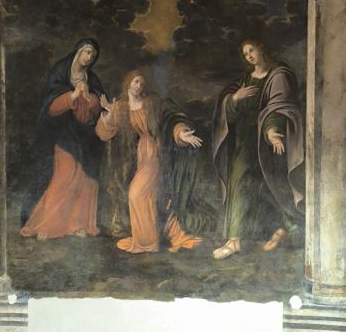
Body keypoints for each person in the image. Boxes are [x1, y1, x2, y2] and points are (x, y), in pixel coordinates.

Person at [95, 69, 212, 253]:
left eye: (142, 83)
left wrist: (181, 133)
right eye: (136, 81)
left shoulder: (152, 103)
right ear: (128, 83)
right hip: (140, 155)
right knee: (149, 196)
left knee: (137, 194)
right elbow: (104, 133)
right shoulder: (121, 107)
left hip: (155, 152)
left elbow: (170, 120)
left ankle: (147, 242)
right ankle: (148, 238)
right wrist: (110, 111)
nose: (139, 86)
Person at [212, 39, 304, 259]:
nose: (249, 56)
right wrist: (234, 99)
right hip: (244, 141)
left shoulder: (279, 75)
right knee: (241, 183)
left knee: (270, 185)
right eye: (245, 54)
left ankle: (278, 231)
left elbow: (279, 106)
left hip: (268, 143)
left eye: (251, 50)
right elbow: (228, 112)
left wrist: (271, 131)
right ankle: (237, 239)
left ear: (262, 48)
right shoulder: (245, 80)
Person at [21, 38, 107, 241]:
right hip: (63, 133)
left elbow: (100, 107)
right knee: (64, 176)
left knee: (85, 180)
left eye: (93, 55)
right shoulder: (60, 71)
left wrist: (91, 99)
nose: (89, 57)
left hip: (85, 135)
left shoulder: (91, 78)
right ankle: (46, 224)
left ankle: (76, 224)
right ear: (78, 51)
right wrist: (72, 96)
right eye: (87, 52)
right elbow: (50, 106)